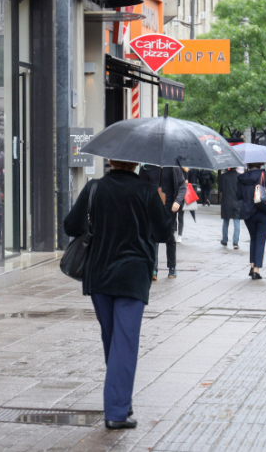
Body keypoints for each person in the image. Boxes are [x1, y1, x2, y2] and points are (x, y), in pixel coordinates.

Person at [64, 160, 172, 430]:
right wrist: (160, 203)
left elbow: (70, 226)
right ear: (135, 163)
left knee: (112, 338)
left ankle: (121, 399)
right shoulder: (147, 192)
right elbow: (163, 233)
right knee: (124, 341)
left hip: (99, 275)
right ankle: (116, 411)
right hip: (132, 277)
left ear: (110, 161)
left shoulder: (94, 188)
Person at [140, 165, 185, 279]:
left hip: (169, 208)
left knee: (169, 236)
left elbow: (182, 186)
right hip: (152, 207)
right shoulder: (147, 167)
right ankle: (153, 269)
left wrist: (178, 201)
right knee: (153, 237)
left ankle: (172, 267)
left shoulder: (173, 167)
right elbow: (139, 185)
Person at [236, 163, 266, 279]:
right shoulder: (265, 174)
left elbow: (238, 195)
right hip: (263, 211)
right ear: (260, 163)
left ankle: (252, 265)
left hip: (248, 212)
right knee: (260, 240)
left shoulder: (242, 177)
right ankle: (256, 270)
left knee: (253, 239)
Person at [219, 168, 241, 249]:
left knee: (225, 222)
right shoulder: (240, 176)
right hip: (237, 202)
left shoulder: (223, 176)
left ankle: (224, 240)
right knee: (236, 222)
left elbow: (220, 189)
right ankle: (235, 242)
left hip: (226, 202)